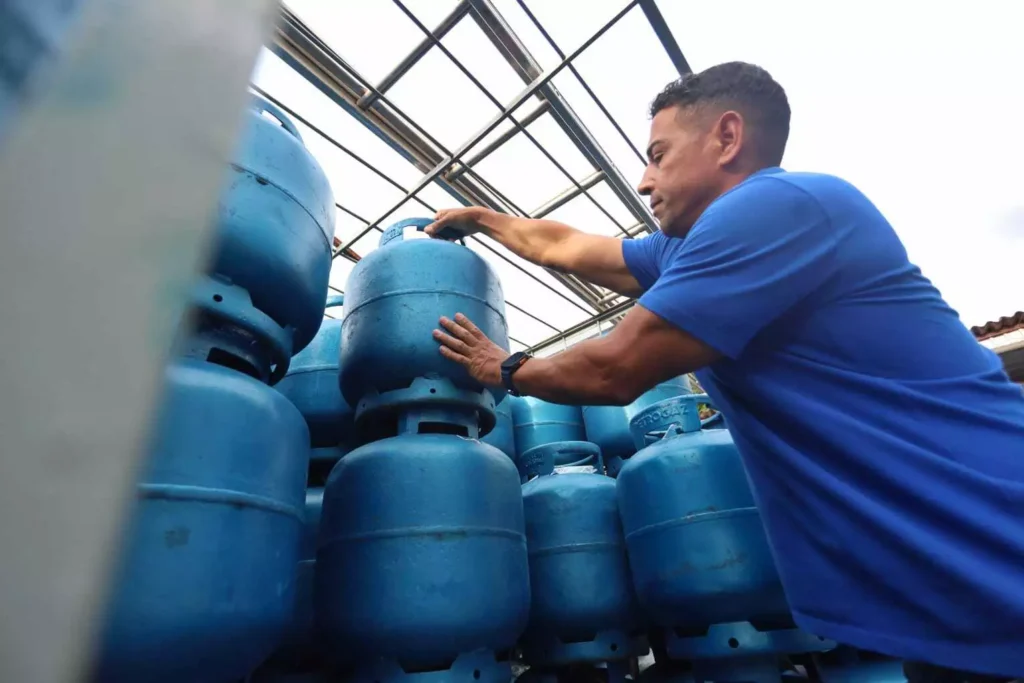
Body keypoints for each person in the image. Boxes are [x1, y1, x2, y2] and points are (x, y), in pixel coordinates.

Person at [425, 61, 1024, 681]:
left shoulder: (775, 207)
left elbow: (615, 369)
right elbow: (568, 247)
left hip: (993, 525)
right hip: (939, 578)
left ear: (727, 137)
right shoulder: (687, 249)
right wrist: (483, 219)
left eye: (659, 154)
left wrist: (508, 368)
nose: (644, 178)